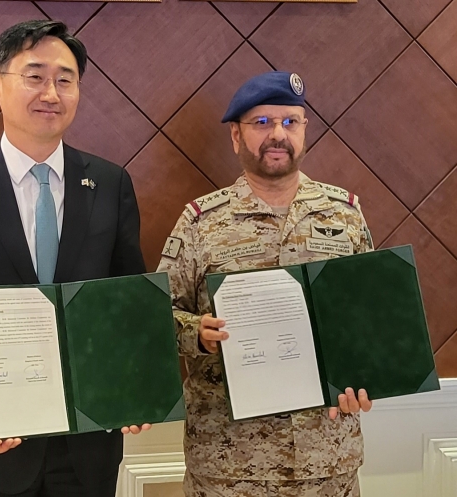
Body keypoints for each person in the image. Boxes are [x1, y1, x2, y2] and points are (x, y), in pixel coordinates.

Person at [0, 20, 148, 497]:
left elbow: (127, 301)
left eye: (65, 79)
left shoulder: (111, 183)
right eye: (34, 76)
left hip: (88, 444)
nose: (51, 93)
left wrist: (133, 385)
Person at [157, 71, 373, 497]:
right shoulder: (201, 223)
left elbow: (370, 319)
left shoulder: (344, 215)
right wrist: (195, 333)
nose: (278, 134)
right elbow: (153, 316)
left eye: (290, 122)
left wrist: (366, 379)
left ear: (305, 131)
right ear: (236, 136)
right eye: (262, 123)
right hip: (228, 465)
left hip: (327, 459)